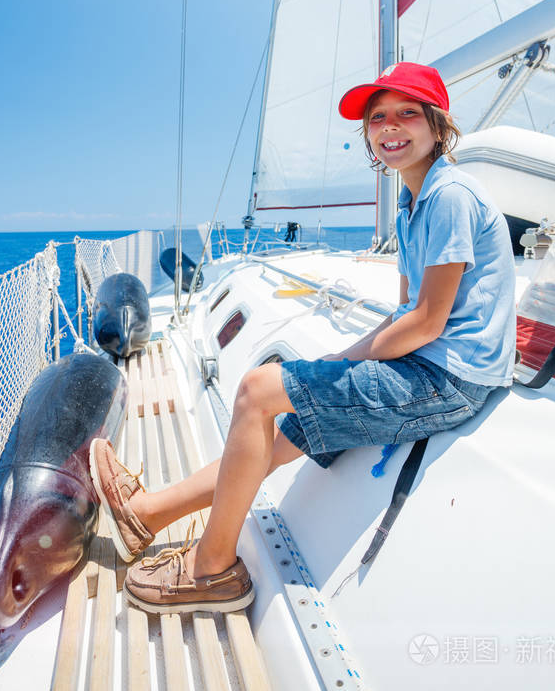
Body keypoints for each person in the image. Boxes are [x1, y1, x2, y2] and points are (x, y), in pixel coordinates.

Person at [89, 61, 516, 614]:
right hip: (430, 367)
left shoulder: (449, 196)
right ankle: (146, 514)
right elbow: (405, 311)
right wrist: (343, 360)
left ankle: (211, 570)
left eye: (407, 113)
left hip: (448, 378)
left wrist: (342, 361)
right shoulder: (415, 202)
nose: (390, 126)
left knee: (256, 391)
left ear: (438, 125)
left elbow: (428, 322)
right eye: (378, 117)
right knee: (282, 425)